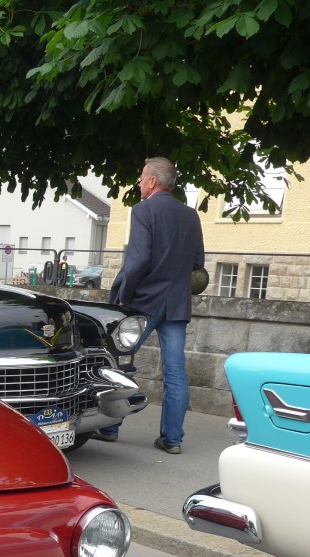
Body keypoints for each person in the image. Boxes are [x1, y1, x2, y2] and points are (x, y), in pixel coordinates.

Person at [93, 156, 204, 454]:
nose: (140, 183)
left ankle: (110, 427)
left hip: (143, 303)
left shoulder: (143, 211)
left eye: (143, 178)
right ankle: (172, 439)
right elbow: (197, 263)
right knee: (176, 371)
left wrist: (123, 296)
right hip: (177, 303)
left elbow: (138, 260)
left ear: (153, 181)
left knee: (119, 361)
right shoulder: (191, 215)